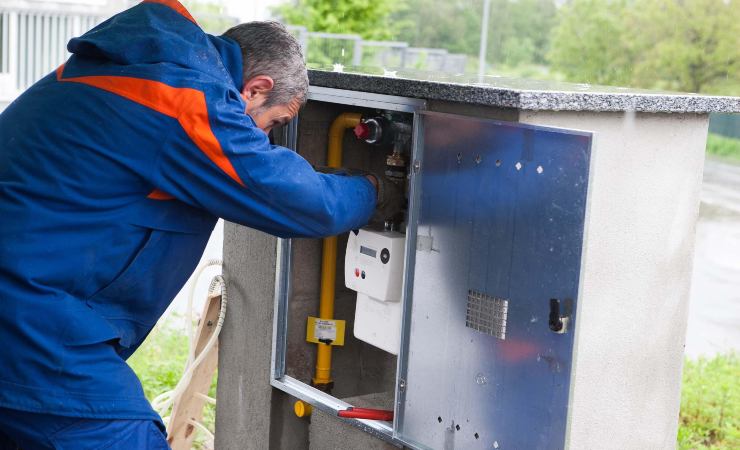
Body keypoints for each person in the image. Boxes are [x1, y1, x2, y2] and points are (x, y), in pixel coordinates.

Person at [0, 1, 397, 448]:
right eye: (275, 124)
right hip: (31, 321)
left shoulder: (127, 69)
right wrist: (374, 190)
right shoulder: (180, 99)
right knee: (122, 435)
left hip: (30, 304)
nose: (264, 140)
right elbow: (294, 199)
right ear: (254, 89)